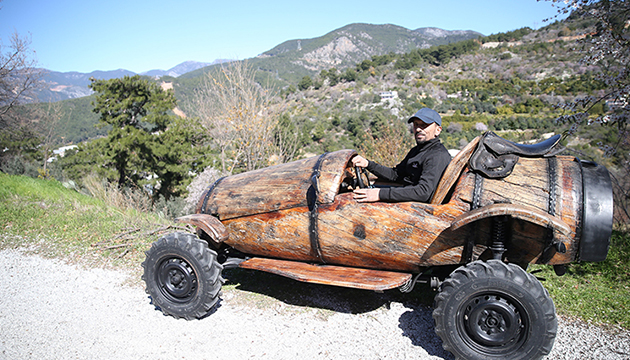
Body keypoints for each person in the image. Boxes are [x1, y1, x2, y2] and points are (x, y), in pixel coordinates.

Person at [352, 108, 451, 203]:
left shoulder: (437, 155)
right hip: (408, 197)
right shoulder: (416, 151)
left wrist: (379, 194)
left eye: (424, 125)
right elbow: (395, 175)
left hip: (419, 208)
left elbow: (423, 192)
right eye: (416, 125)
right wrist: (368, 164)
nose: (419, 129)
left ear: (438, 130)